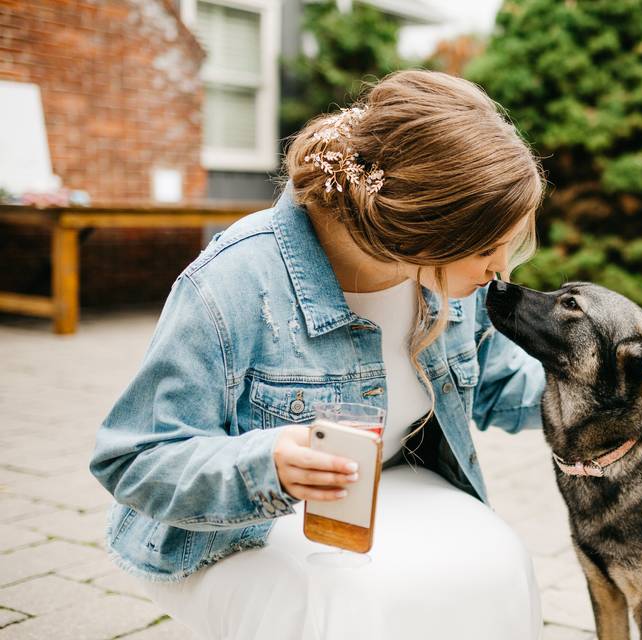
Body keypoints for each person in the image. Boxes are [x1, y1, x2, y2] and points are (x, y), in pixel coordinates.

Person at [88, 70, 547, 640]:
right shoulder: (233, 281)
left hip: (384, 498)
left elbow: (502, 385)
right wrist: (269, 463)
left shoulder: (448, 284)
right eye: (486, 249)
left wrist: (616, 396)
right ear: (418, 231)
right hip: (231, 528)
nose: (501, 271)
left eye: (514, 246)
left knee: (501, 561)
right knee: (348, 604)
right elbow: (131, 459)